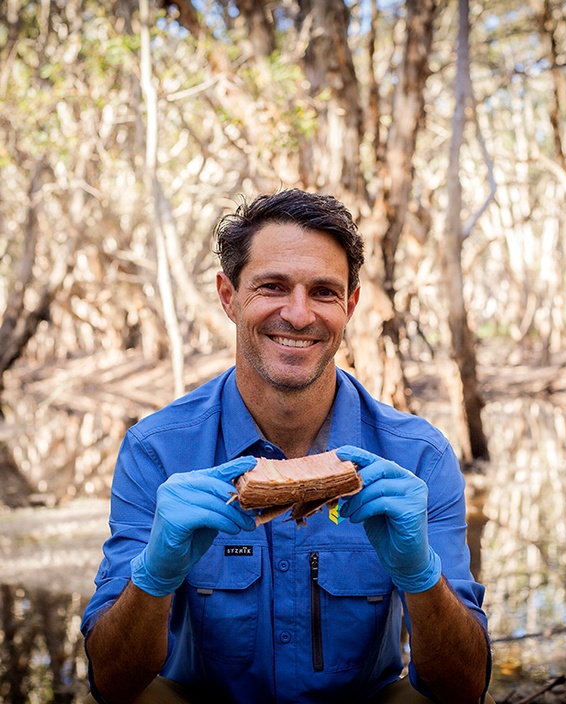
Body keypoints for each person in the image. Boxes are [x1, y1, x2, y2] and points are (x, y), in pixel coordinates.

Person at [81, 189, 493, 704]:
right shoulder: (157, 450)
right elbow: (110, 684)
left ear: (351, 304)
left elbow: (466, 689)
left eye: (323, 291)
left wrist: (421, 575)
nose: (299, 316)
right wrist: (155, 575)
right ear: (229, 296)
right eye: (272, 287)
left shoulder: (419, 456)